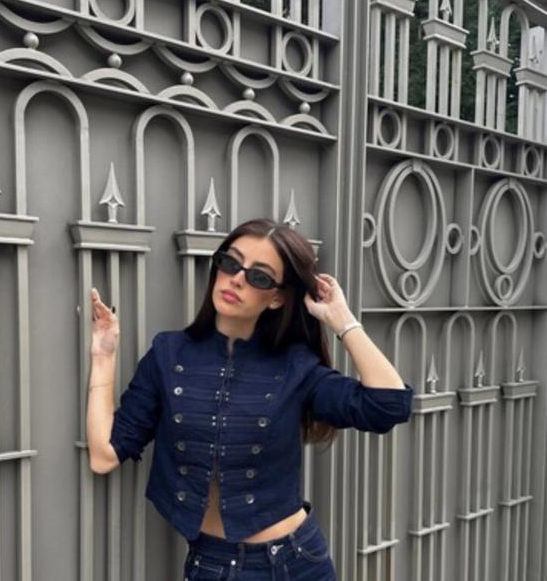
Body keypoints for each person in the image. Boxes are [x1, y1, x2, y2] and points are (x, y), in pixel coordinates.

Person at [87, 217, 413, 580]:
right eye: (230, 263)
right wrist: (103, 356)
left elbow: (389, 405)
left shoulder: (295, 367)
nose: (237, 279)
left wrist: (342, 320)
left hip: (298, 562)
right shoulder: (168, 354)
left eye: (259, 276)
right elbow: (104, 455)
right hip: (212, 565)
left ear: (277, 298)